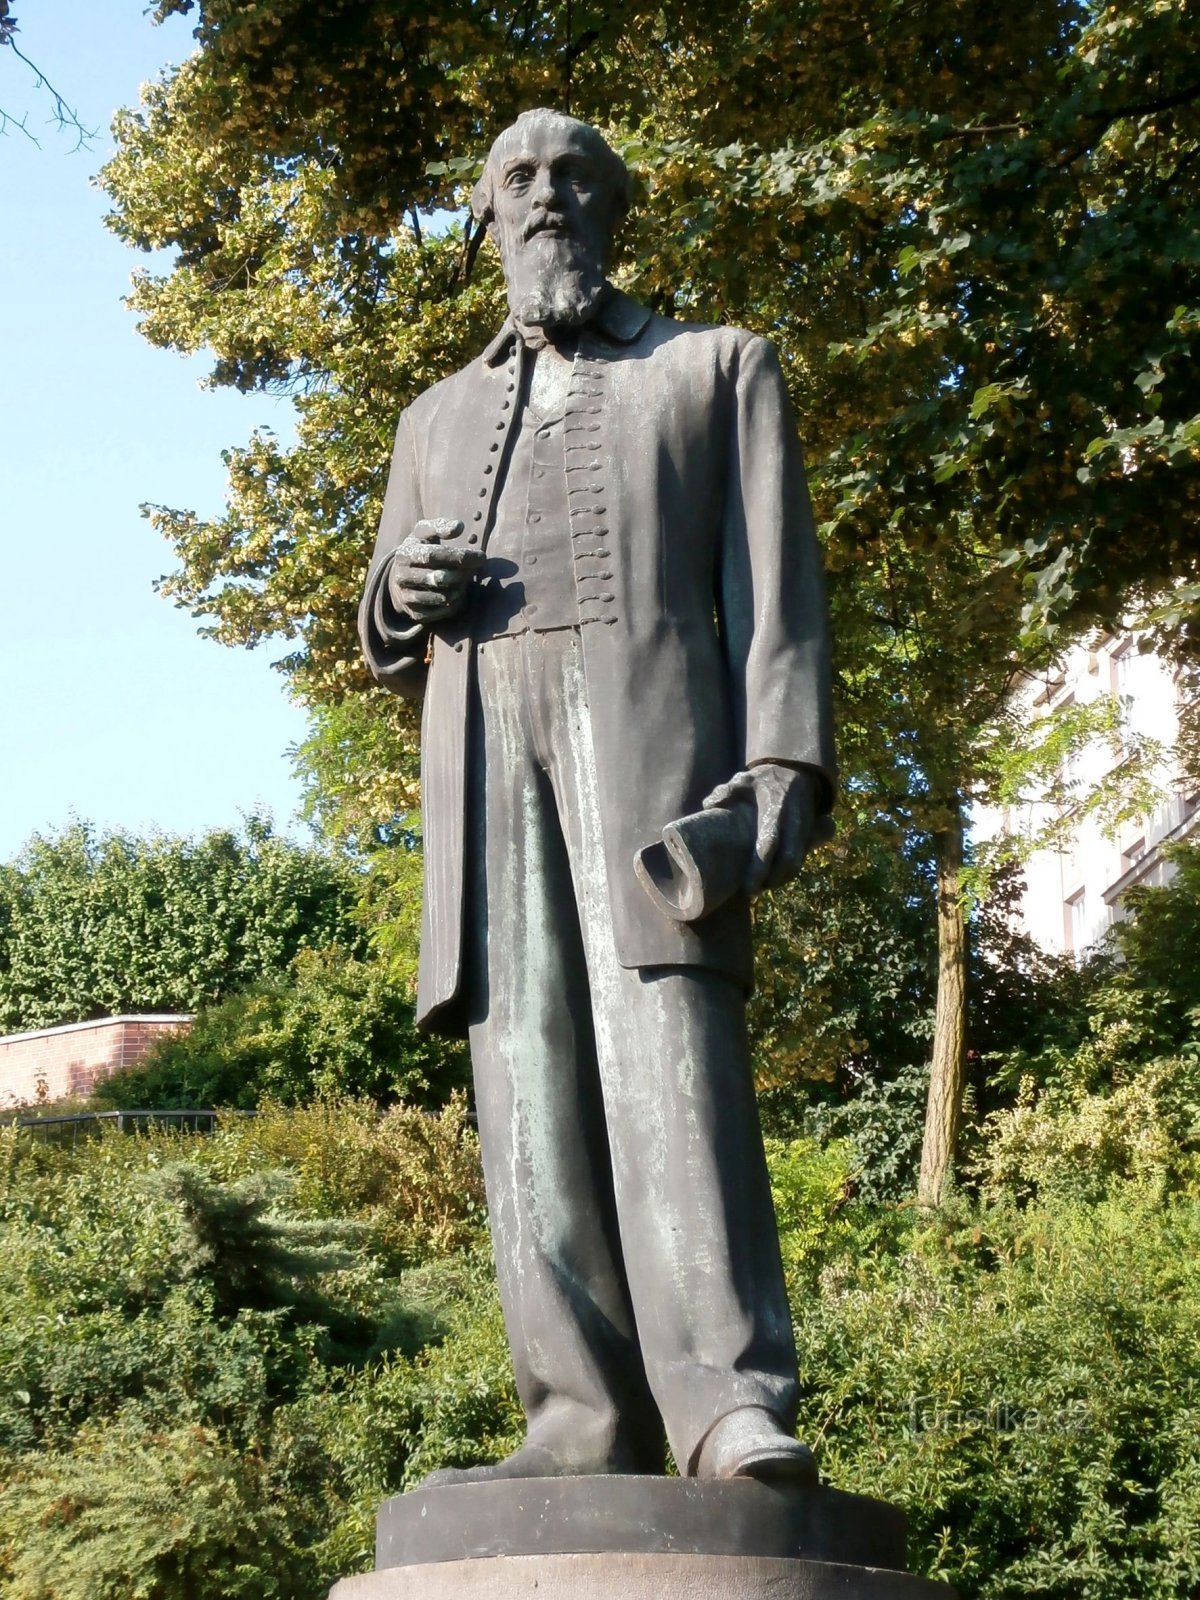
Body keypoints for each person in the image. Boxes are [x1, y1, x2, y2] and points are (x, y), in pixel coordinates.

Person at [359, 108, 836, 1485]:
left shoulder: (717, 369)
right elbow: (382, 621)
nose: (547, 195)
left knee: (671, 1072)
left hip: (653, 761)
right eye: (518, 178)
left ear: (615, 209)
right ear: (486, 221)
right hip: (484, 761)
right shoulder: (432, 418)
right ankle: (578, 1419)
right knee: (529, 1093)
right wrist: (400, 594)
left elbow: (778, 604)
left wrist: (778, 783)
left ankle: (726, 1404)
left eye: (575, 176)